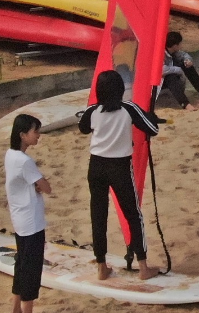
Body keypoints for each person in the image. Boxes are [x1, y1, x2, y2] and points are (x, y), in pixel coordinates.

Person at [78, 70, 161, 281]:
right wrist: (150, 116)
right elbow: (152, 129)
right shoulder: (128, 108)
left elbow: (83, 128)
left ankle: (101, 266)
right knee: (133, 214)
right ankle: (143, 267)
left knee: (98, 215)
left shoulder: (92, 111)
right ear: (121, 89)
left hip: (96, 166)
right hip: (119, 167)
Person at [5, 114, 51, 313]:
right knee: (31, 271)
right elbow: (47, 187)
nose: (38, 135)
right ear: (23, 135)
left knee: (22, 265)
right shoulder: (25, 161)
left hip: (20, 220)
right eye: (35, 131)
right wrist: (40, 185)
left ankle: (15, 308)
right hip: (31, 223)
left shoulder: (10, 155)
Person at [162, 31, 199, 111]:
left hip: (174, 78)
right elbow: (161, 70)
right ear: (175, 46)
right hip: (159, 83)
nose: (181, 46)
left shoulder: (173, 51)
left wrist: (188, 60)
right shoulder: (160, 53)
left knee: (187, 65)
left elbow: (184, 55)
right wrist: (178, 70)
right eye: (180, 44)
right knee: (171, 77)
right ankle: (185, 104)